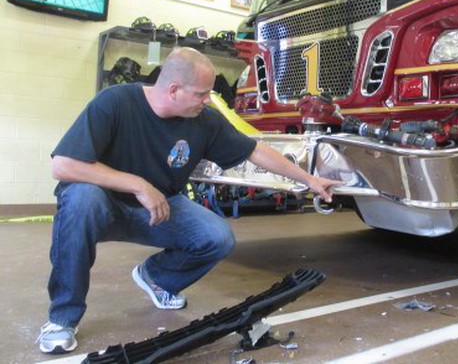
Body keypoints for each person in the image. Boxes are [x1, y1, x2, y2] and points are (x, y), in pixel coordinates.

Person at [37, 47, 341, 354]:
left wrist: (309, 180)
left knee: (216, 237)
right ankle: (62, 318)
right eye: (201, 94)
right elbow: (62, 165)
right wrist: (138, 184)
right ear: (173, 90)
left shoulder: (204, 121)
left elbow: (255, 150)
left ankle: (157, 278)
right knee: (80, 197)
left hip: (159, 208)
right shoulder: (115, 102)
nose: (208, 100)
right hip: (103, 205)